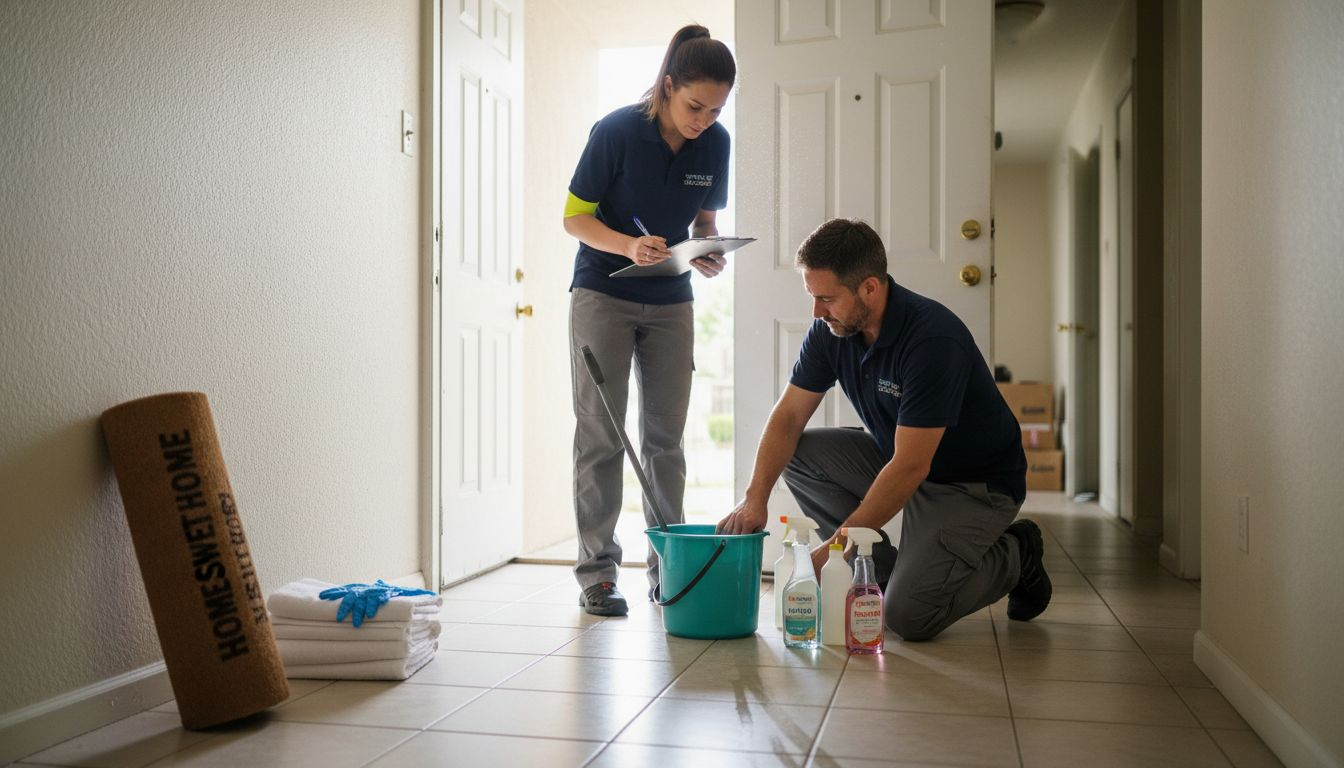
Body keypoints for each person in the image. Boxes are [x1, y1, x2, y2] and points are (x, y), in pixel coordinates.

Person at [717, 219, 1052, 640]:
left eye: (826, 298)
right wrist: (754, 499)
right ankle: (882, 570)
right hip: (898, 456)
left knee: (908, 618)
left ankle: (1017, 553)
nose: (816, 313)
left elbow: (912, 466)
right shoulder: (832, 330)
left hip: (971, 484)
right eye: (812, 297)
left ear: (870, 288)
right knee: (798, 454)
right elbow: (787, 419)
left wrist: (837, 547)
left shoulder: (932, 340)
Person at [563, 25, 735, 616]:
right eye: (694, 106)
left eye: (715, 109)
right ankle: (598, 576)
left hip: (671, 300)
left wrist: (708, 250)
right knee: (601, 435)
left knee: (666, 441)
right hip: (602, 293)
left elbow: (705, 222)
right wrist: (626, 246)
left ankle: (671, 567)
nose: (703, 120)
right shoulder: (616, 131)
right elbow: (575, 218)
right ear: (667, 87)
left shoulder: (716, 144)